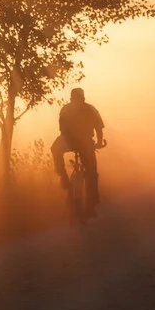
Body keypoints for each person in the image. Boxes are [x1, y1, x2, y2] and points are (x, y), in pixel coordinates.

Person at [51, 87, 105, 215]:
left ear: (71, 98)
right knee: (91, 171)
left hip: (69, 141)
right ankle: (91, 204)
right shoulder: (90, 109)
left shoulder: (65, 109)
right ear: (83, 97)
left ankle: (63, 176)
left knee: (55, 149)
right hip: (85, 142)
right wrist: (99, 142)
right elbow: (99, 128)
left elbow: (61, 128)